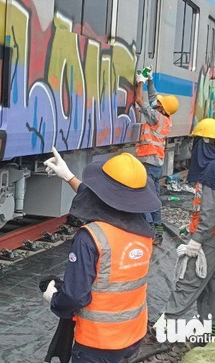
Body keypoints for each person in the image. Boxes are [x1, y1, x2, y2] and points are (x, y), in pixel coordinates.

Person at [42, 149, 159, 363]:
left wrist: (55, 299)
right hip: (132, 335)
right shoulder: (144, 231)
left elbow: (75, 296)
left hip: (97, 343)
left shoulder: (92, 238)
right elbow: (110, 203)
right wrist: (69, 177)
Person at [163, 118, 215, 323]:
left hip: (212, 236)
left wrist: (196, 240)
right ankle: (210, 325)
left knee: (190, 281)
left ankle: (167, 324)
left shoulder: (212, 170)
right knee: (212, 283)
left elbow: (211, 211)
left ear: (203, 143)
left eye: (195, 142)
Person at [134, 68, 179, 245]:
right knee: (154, 199)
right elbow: (154, 99)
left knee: (146, 199)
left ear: (162, 108)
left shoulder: (154, 117)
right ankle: (157, 233)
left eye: (160, 104)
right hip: (156, 164)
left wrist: (140, 82)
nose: (157, 103)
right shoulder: (164, 118)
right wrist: (151, 81)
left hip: (148, 163)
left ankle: (150, 232)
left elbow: (139, 100)